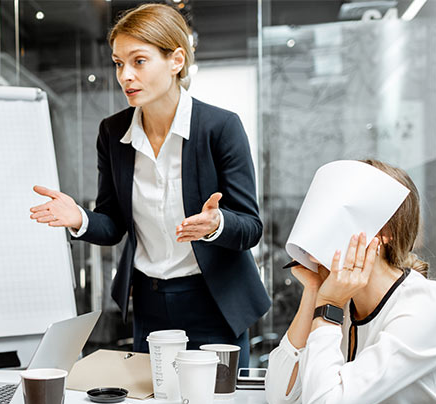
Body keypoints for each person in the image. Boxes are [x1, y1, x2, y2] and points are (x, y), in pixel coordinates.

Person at [29, 3, 269, 366]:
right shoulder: (112, 132)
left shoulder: (220, 128)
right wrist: (78, 217)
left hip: (215, 302)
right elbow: (112, 224)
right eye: (118, 63)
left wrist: (216, 225)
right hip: (149, 302)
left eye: (138, 61)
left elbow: (250, 227)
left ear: (176, 61)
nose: (125, 75)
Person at [265, 159, 436, 404]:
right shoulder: (343, 295)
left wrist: (328, 307)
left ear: (385, 233)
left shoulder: (426, 307)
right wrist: (314, 292)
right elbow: (281, 398)